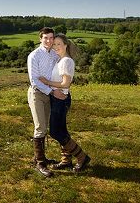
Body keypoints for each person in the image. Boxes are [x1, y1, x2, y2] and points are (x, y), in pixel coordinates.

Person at [39, 33, 91, 173]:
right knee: (62, 130)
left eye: (59, 44)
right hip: (57, 98)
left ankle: (82, 157)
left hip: (61, 99)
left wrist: (47, 82)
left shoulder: (67, 61)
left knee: (56, 131)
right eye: (54, 44)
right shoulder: (60, 60)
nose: (55, 47)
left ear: (66, 45)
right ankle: (66, 160)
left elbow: (65, 83)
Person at [27, 27, 66, 177]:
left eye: (51, 38)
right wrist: (53, 91)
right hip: (37, 94)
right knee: (40, 127)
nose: (49, 41)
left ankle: (39, 157)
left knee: (46, 126)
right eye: (46, 38)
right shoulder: (34, 56)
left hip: (50, 94)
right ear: (40, 39)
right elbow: (34, 80)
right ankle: (40, 164)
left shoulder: (54, 55)